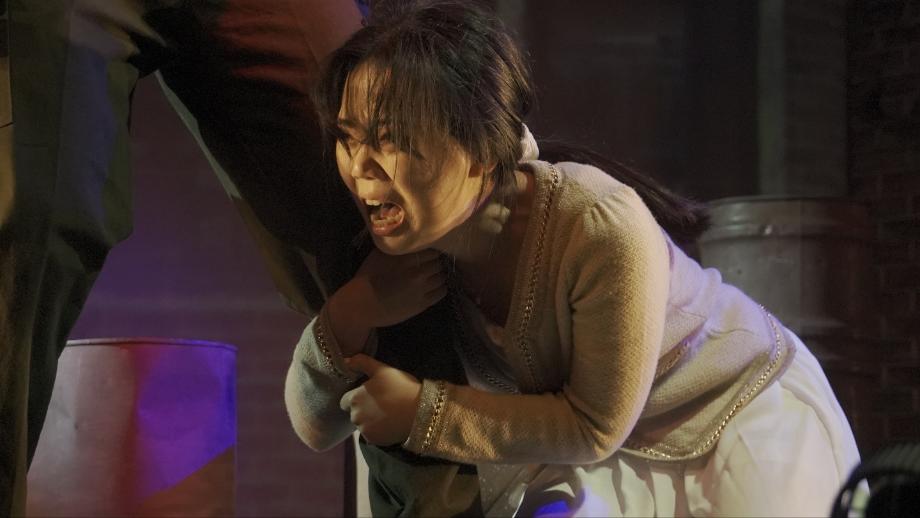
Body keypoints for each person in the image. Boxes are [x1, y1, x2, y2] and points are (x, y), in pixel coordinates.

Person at [283, 0, 862, 516]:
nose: (359, 166)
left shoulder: (598, 225)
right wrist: (350, 312)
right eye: (349, 137)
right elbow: (314, 426)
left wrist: (425, 414)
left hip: (732, 421)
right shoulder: (407, 245)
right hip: (601, 454)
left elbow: (593, 426)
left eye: (389, 138)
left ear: (480, 149)